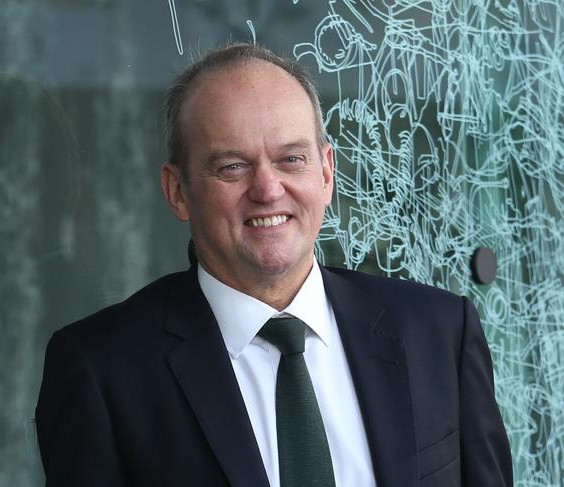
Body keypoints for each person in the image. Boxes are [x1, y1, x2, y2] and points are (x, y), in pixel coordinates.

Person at [35, 43, 512, 486]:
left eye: (291, 159)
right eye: (232, 166)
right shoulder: (101, 370)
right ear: (177, 191)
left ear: (326, 173)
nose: (267, 189)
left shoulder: (439, 332)